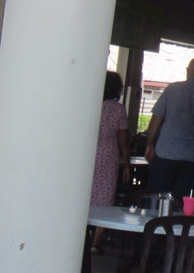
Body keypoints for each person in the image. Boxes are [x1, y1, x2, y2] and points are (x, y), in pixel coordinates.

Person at [144, 57, 194, 206]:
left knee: (156, 200)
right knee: (180, 203)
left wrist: (149, 144)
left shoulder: (172, 90)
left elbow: (156, 119)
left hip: (165, 154)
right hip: (193, 158)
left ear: (187, 71)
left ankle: (154, 220)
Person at [90, 70, 131, 253]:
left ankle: (81, 235)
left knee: (85, 194)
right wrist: (127, 165)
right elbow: (123, 141)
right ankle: (95, 242)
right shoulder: (118, 110)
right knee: (105, 197)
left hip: (88, 155)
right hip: (108, 156)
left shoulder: (89, 105)